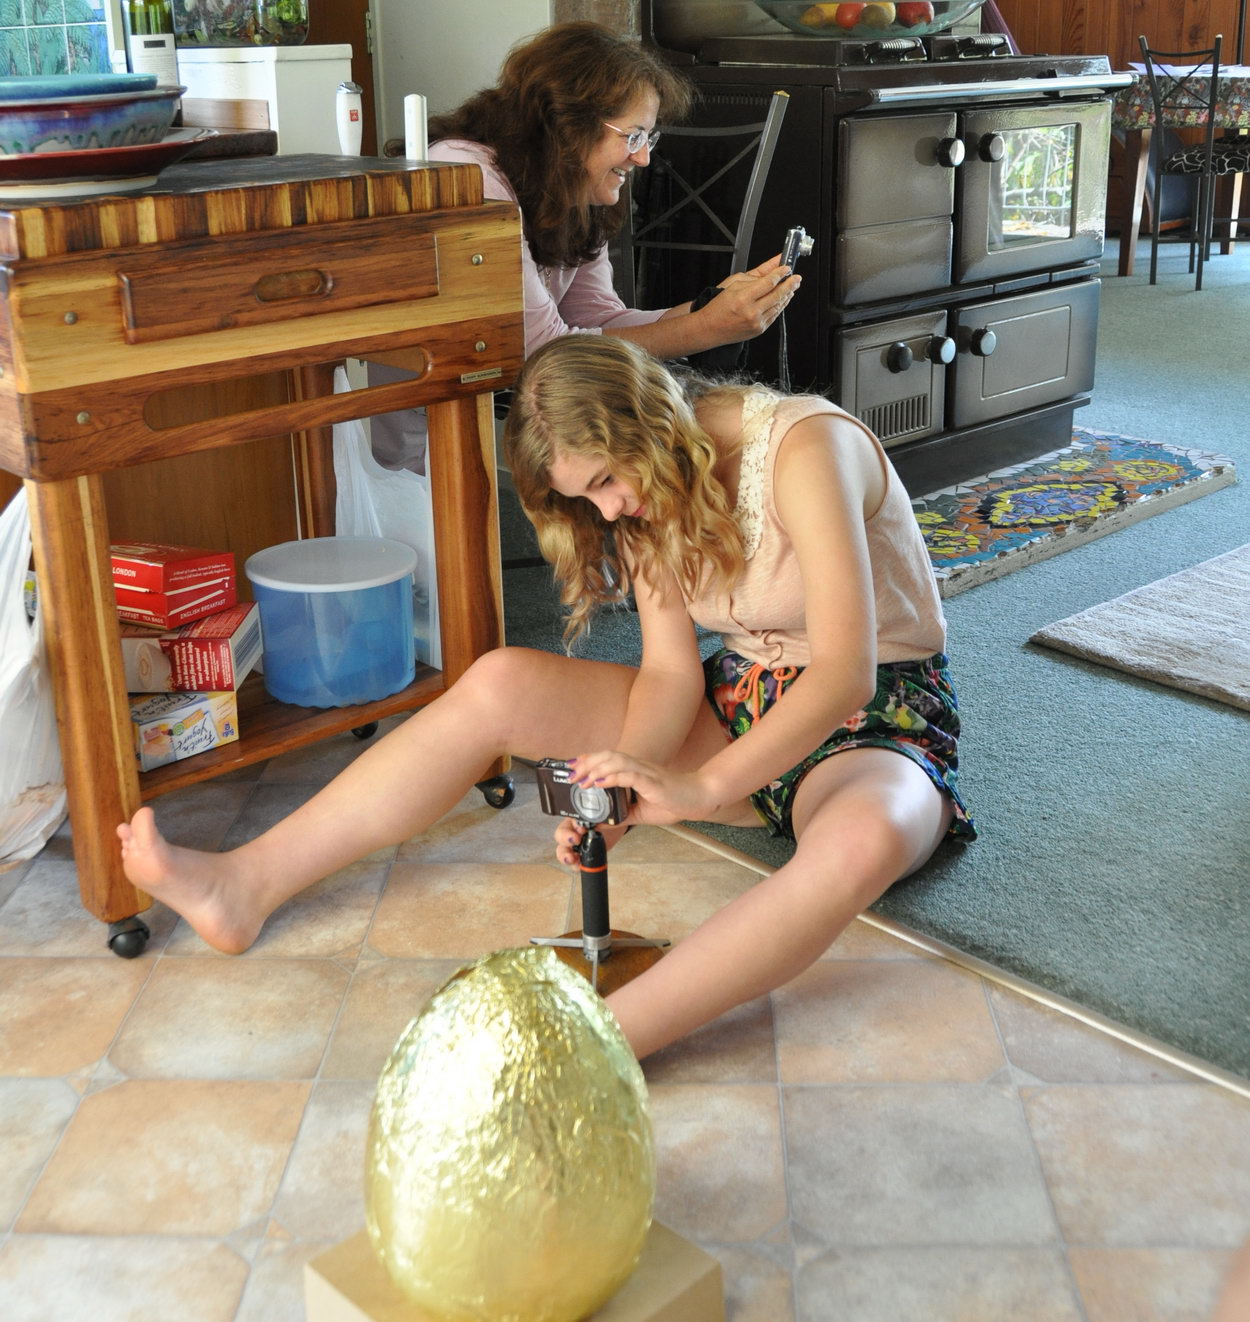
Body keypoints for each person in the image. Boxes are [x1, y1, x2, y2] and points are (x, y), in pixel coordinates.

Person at [117, 335, 975, 1060]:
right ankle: (244, 884)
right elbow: (672, 673)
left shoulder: (805, 447)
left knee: (860, 841)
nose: (613, 506)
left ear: (647, 419)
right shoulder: (641, 497)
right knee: (500, 680)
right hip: (739, 701)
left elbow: (847, 672)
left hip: (875, 721)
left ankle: (596, 1048)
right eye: (587, 496)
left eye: (606, 479)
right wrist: (628, 782)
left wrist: (700, 788)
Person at [368, 21, 799, 471]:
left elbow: (597, 320)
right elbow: (540, 350)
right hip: (400, 446)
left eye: (648, 138)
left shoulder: (573, 185)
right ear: (568, 125)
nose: (643, 157)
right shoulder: (469, 176)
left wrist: (711, 309)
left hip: (456, 430)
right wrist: (704, 329)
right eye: (632, 136)